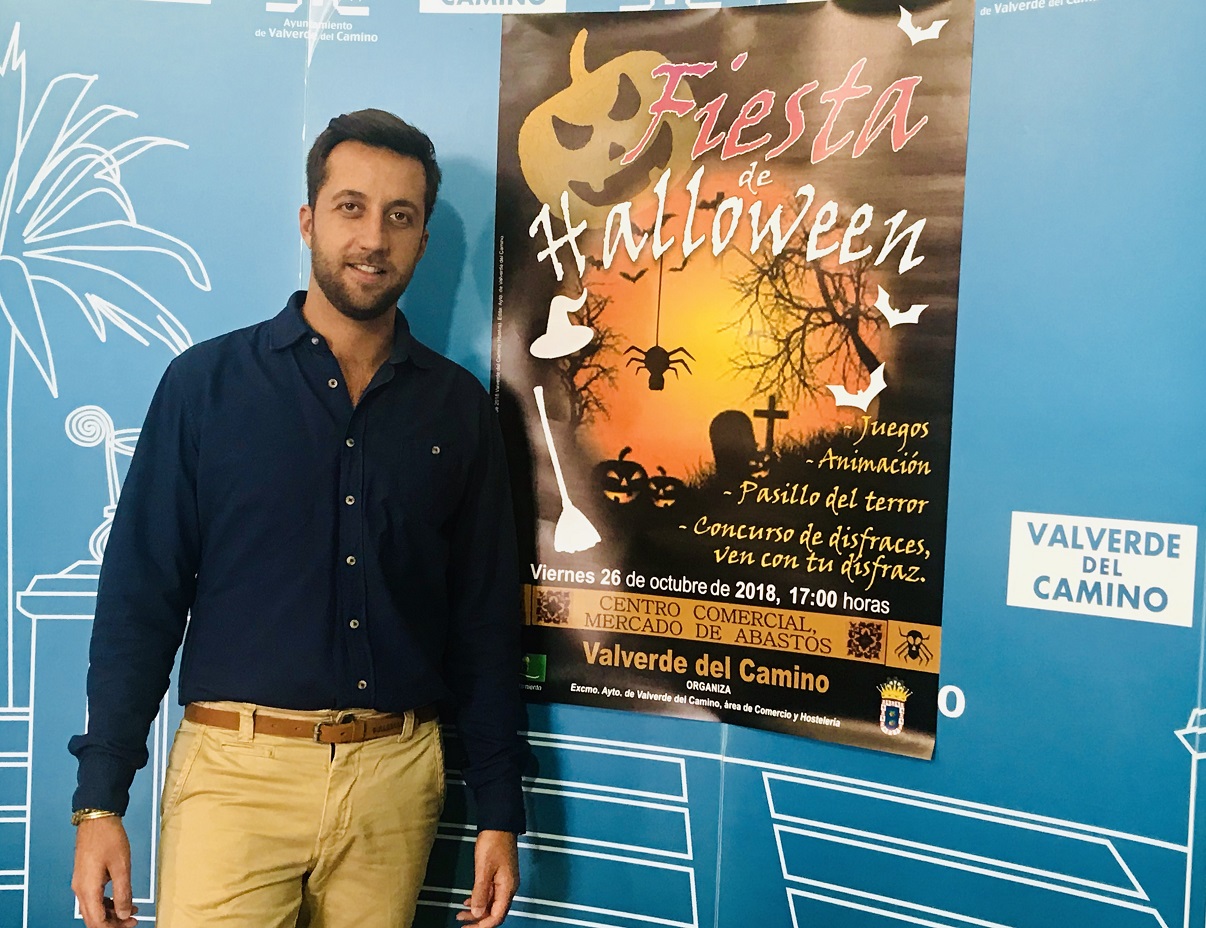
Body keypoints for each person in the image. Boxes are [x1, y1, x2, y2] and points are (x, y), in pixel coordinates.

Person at [68, 109, 527, 928]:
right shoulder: (206, 387)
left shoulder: (458, 410)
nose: (373, 239)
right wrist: (101, 800)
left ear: (423, 240)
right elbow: (140, 598)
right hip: (235, 780)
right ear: (309, 219)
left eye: (400, 216)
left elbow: (483, 618)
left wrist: (499, 807)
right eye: (352, 207)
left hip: (395, 785)